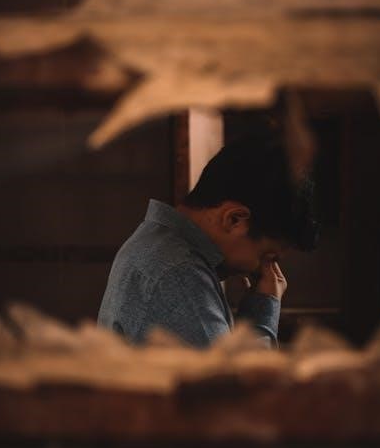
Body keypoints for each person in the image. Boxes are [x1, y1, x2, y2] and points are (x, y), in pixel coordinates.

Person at [98, 126, 320, 349]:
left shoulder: (156, 242)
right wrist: (264, 308)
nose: (265, 269)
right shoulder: (179, 276)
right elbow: (238, 373)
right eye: (267, 256)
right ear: (234, 219)